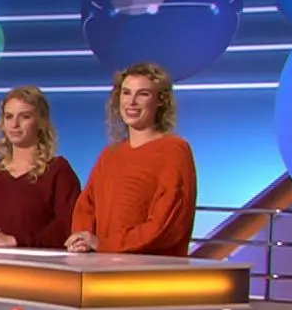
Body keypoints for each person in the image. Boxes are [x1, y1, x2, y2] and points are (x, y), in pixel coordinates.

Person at [65, 61, 198, 256]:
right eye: (126, 93)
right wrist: (82, 240)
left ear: (160, 101)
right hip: (102, 266)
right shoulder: (109, 155)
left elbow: (168, 224)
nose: (132, 102)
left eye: (143, 94)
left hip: (149, 269)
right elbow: (86, 207)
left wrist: (106, 244)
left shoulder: (174, 150)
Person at [0, 86, 81, 249]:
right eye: (8, 117)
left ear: (41, 122)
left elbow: (68, 226)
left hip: (39, 264)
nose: (14, 124)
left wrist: (15, 241)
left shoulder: (58, 171)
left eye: (25, 117)